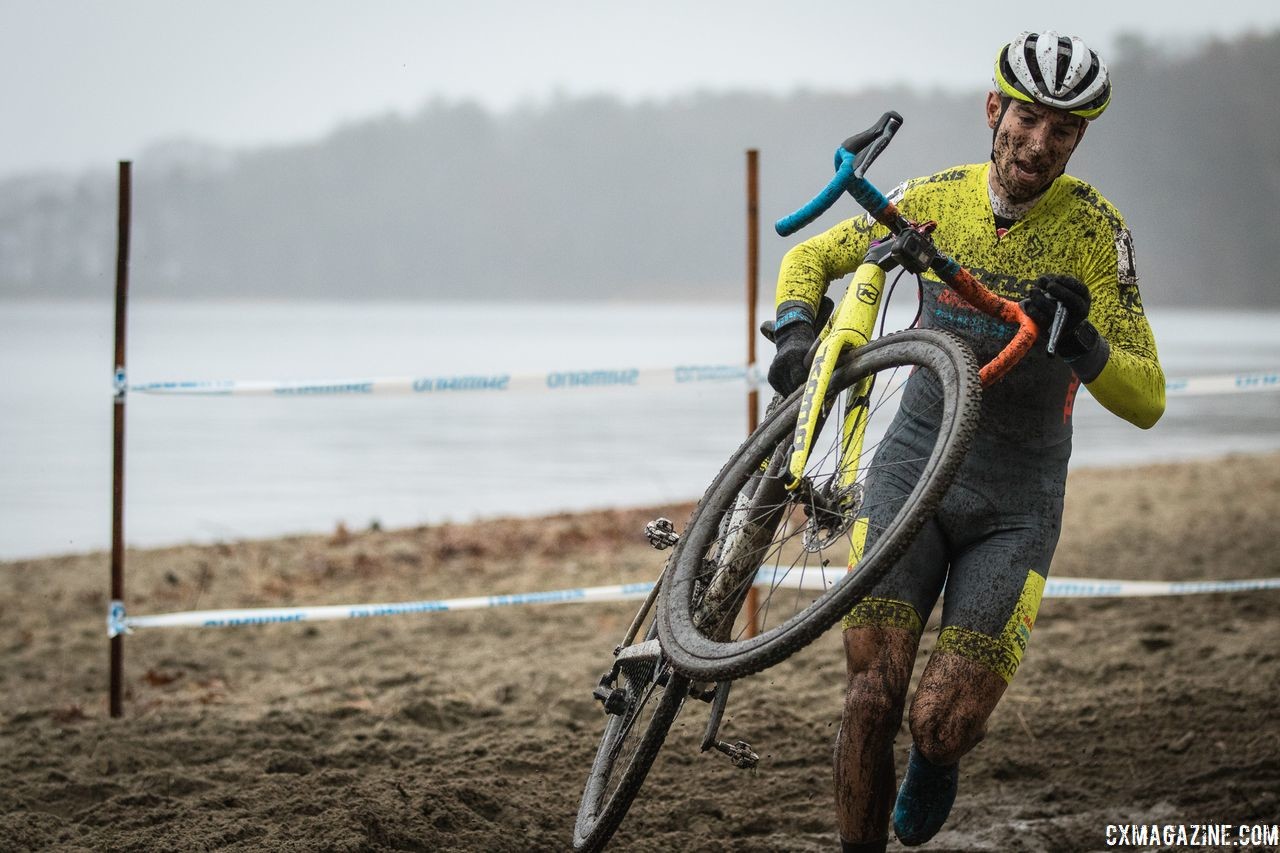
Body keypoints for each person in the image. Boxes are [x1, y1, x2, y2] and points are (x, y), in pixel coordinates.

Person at [766, 31, 1165, 851]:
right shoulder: (936, 198)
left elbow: (1149, 397)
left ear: (1080, 138)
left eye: (1063, 131)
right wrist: (798, 330)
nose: (1038, 143)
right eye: (1027, 118)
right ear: (994, 109)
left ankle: (939, 760)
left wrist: (1085, 344)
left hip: (1015, 505)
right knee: (872, 698)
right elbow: (813, 252)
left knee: (939, 722)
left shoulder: (1099, 231)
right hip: (912, 469)